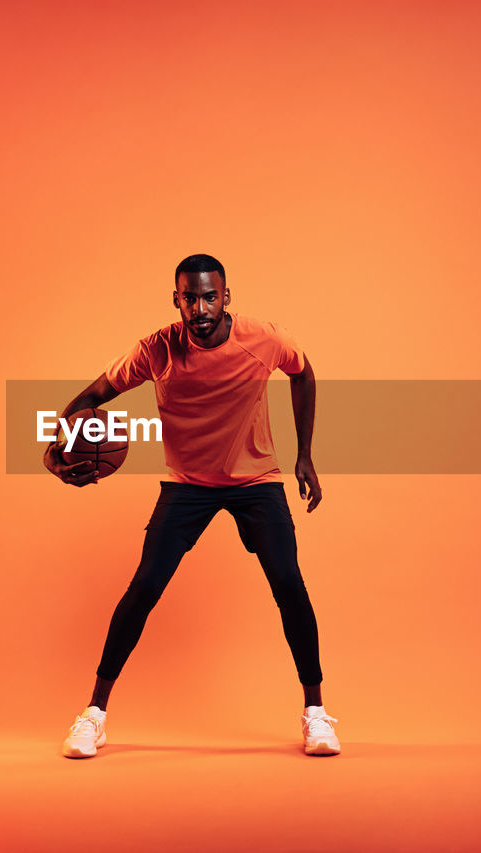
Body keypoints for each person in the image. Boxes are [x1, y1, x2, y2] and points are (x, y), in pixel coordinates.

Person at [45, 253, 340, 758]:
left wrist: (305, 454)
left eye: (209, 296)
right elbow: (95, 392)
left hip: (255, 481)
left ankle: (316, 715)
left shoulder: (263, 339)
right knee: (143, 588)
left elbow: (303, 372)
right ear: (177, 299)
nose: (199, 308)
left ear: (226, 297)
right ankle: (93, 715)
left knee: (289, 584)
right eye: (189, 298)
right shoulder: (156, 349)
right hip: (188, 484)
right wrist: (57, 445)